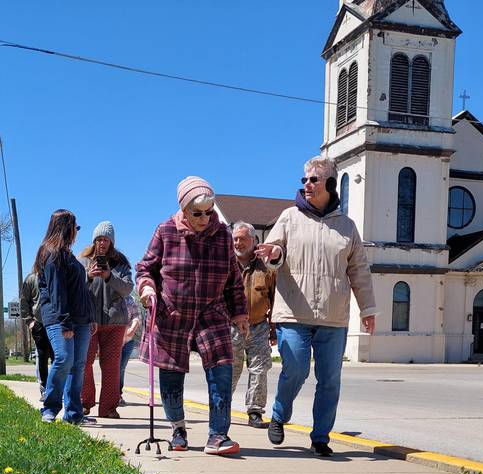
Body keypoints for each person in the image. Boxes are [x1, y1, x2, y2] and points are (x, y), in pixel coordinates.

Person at [257, 155, 377, 457]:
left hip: (334, 317)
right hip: (293, 312)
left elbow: (359, 270)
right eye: (305, 179)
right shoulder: (289, 217)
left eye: (313, 179)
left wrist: (368, 309)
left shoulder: (347, 227)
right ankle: (280, 414)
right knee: (295, 368)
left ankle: (320, 436)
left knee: (330, 380)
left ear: (330, 184)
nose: (306, 184)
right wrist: (273, 254)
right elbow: (272, 258)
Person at [136, 176, 248, 456]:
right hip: (173, 313)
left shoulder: (223, 235)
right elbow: (145, 267)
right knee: (171, 377)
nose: (204, 218)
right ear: (184, 209)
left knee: (222, 372)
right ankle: (178, 429)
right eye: (197, 213)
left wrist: (240, 313)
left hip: (212, 313)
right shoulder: (165, 231)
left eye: (209, 212)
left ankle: (218, 435)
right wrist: (148, 288)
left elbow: (234, 280)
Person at [35, 209, 96, 425]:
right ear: (66, 228)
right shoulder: (51, 253)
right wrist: (64, 321)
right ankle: (49, 408)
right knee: (63, 359)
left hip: (81, 319)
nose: (77, 232)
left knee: (77, 365)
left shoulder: (68, 254)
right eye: (75, 227)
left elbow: (79, 290)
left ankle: (74, 414)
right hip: (61, 319)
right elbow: (56, 291)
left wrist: (91, 317)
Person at [79, 221, 133, 419]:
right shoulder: (83, 261)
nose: (102, 243)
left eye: (106, 239)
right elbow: (75, 289)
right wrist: (89, 277)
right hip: (89, 321)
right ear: (94, 241)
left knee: (111, 366)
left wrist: (110, 275)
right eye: (99, 239)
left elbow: (128, 289)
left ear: (112, 241)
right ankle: (85, 403)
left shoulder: (121, 263)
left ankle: (109, 408)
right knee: (84, 362)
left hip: (115, 322)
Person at [230, 221, 277, 429]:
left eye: (242, 239)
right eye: (235, 239)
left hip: (258, 326)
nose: (238, 243)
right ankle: (221, 408)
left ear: (253, 240)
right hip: (230, 327)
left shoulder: (266, 267)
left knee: (259, 369)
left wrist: (274, 329)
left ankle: (255, 411)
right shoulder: (226, 265)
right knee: (230, 370)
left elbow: (276, 298)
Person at [20, 270, 54, 399]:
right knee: (42, 355)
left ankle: (56, 388)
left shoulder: (57, 275)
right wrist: (29, 321)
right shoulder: (31, 278)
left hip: (56, 322)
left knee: (58, 357)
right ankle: (44, 388)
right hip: (39, 323)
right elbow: (24, 301)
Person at [118, 294, 142, 406]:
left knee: (121, 368)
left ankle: (118, 395)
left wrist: (133, 327)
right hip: (112, 339)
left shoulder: (130, 299)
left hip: (128, 340)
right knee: (112, 368)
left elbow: (136, 315)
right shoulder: (109, 294)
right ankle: (109, 395)